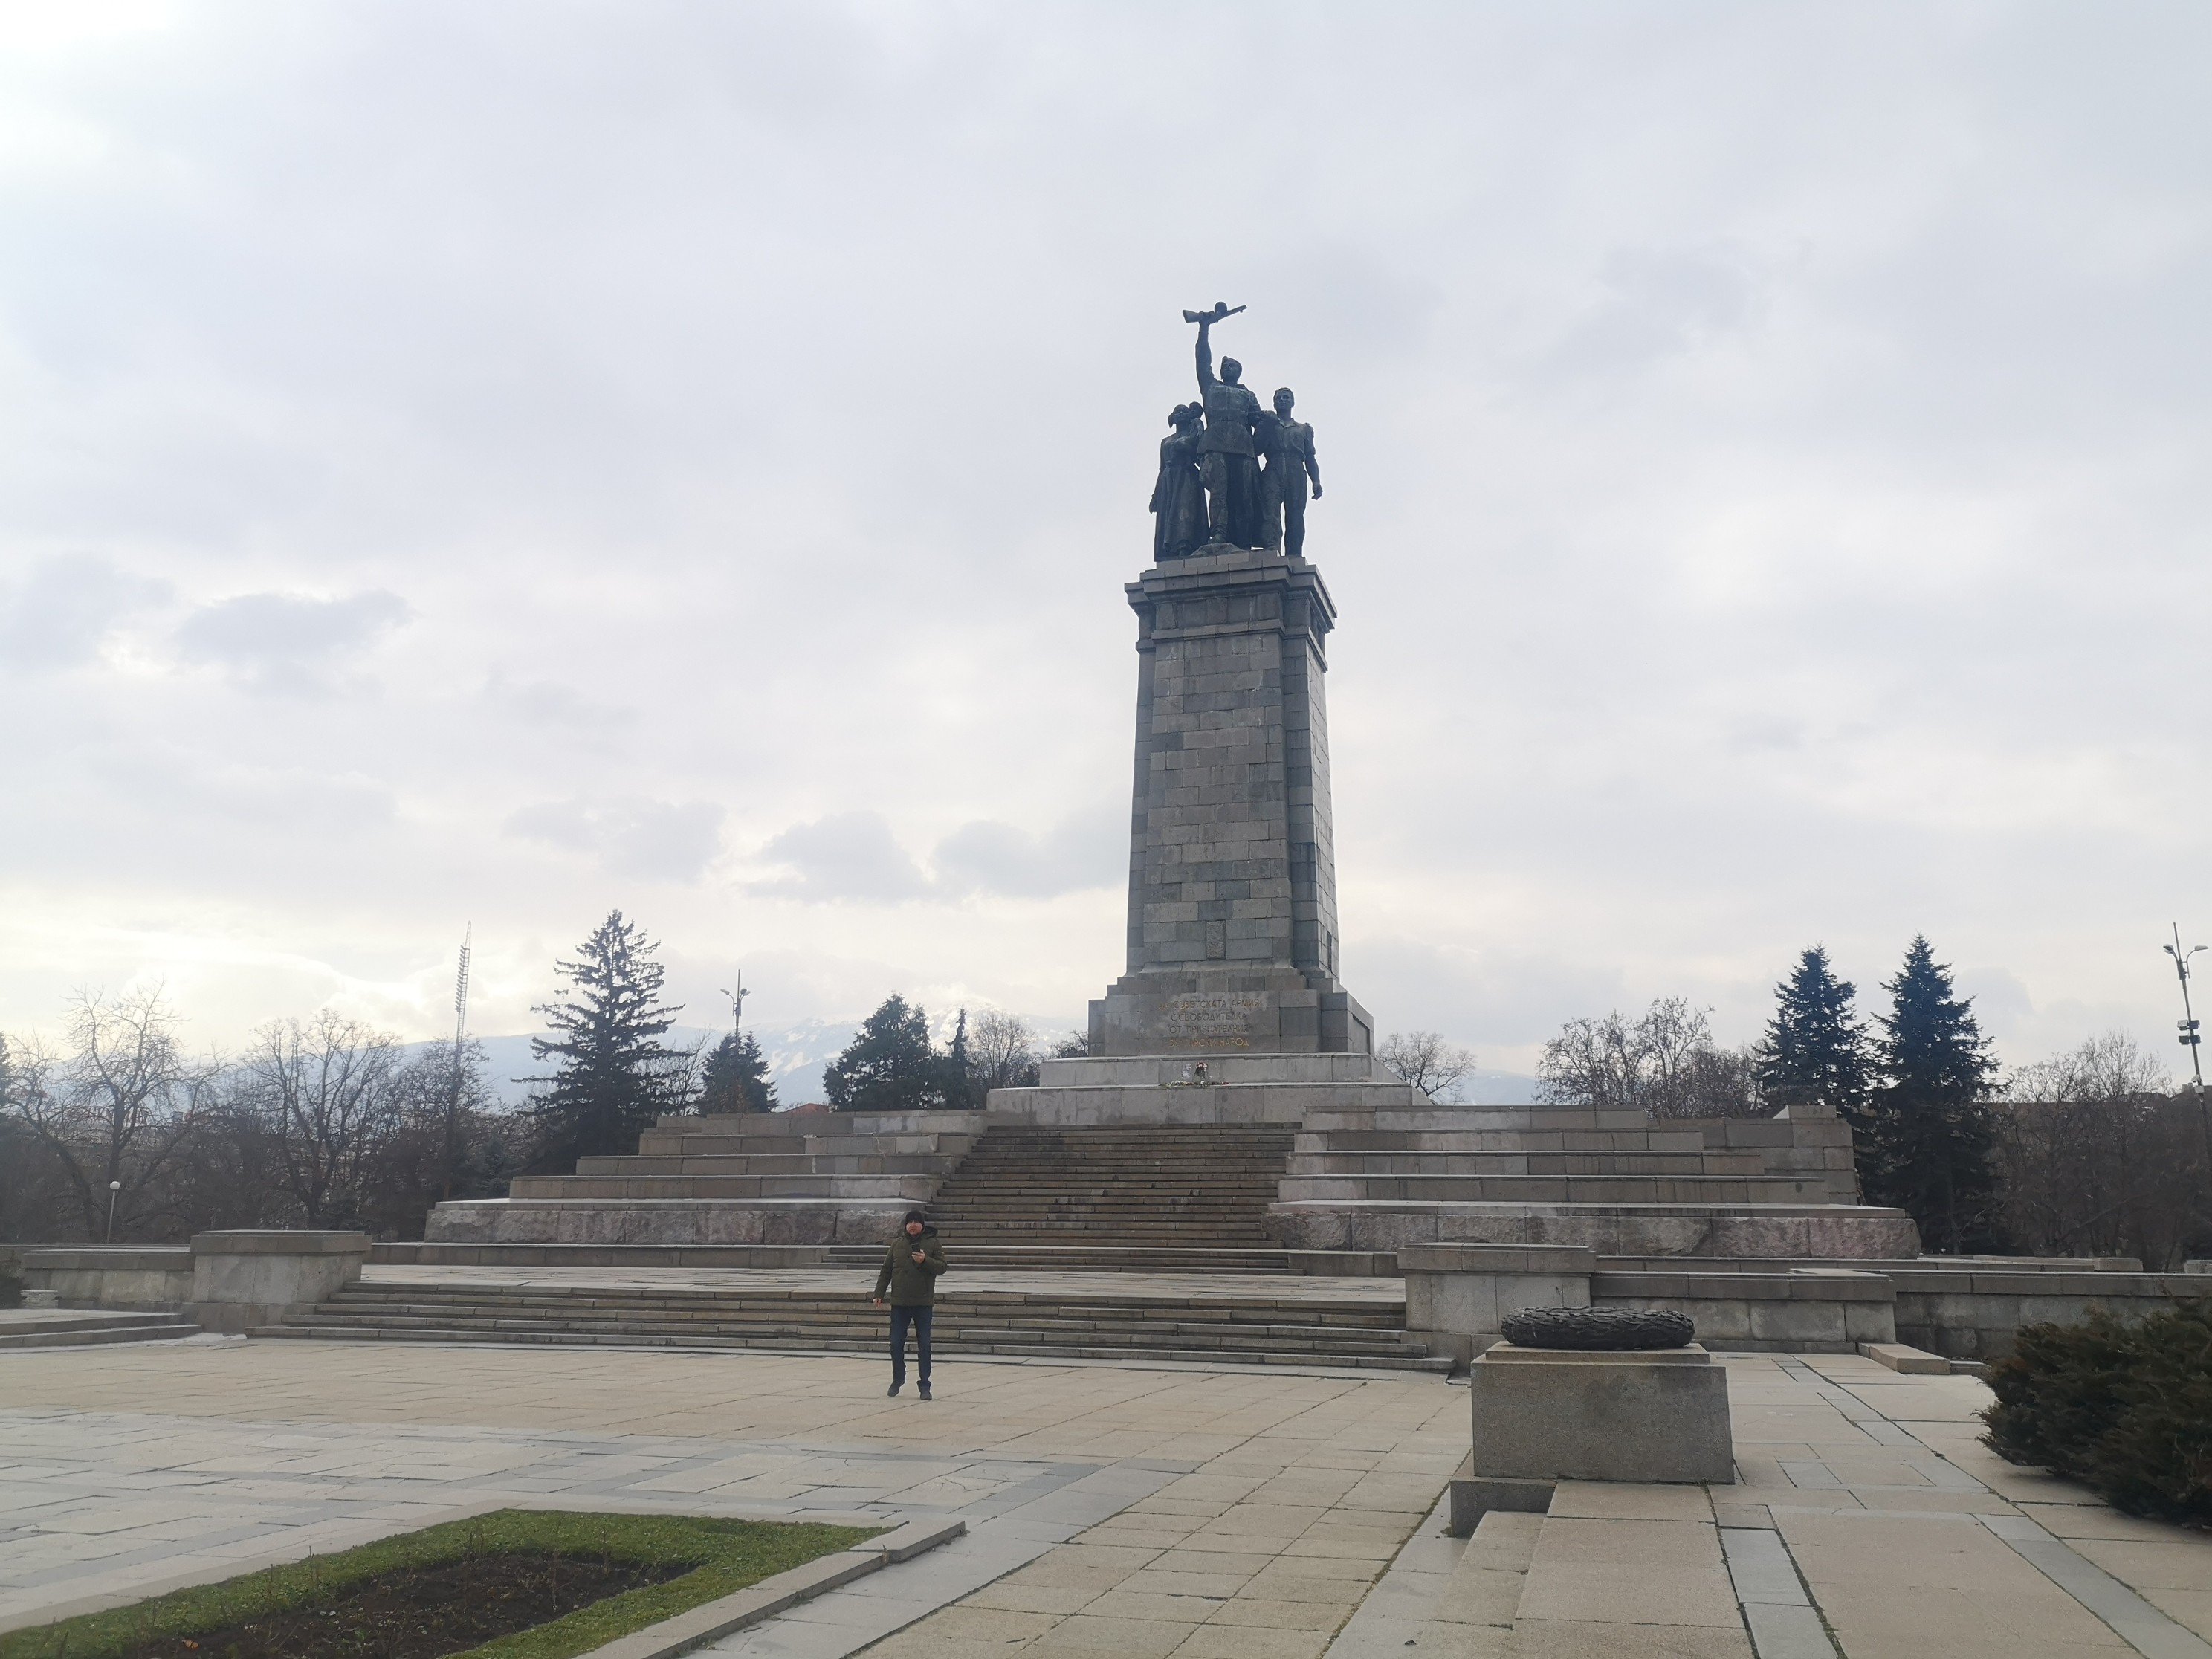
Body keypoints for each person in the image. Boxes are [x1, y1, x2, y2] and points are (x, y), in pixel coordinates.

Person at [1193, 311, 1263, 547]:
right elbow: (1202, 361)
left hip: (1243, 448)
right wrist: (1204, 329)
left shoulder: (1248, 395)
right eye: (1224, 366)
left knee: (1243, 497)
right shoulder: (1211, 387)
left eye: (1231, 365)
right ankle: (1219, 534)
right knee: (1219, 493)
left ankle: (1242, 540)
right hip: (1215, 444)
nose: (1227, 368)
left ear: (1238, 371)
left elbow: (1259, 422)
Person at [872, 1209, 945, 1399]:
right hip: (900, 1303)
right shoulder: (897, 1244)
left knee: (924, 1345)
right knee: (896, 1343)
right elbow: (886, 1270)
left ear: (922, 1225)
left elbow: (942, 1267)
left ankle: (925, 1385)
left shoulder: (933, 1243)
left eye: (916, 1222)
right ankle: (898, 1378)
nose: (913, 1225)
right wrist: (879, 1293)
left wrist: (925, 1260)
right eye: (910, 1222)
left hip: (923, 1303)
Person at [1257, 387, 1323, 559]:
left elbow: (1310, 457)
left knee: (1295, 515)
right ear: (1274, 403)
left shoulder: (1303, 429)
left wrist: (1316, 481)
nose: (1282, 400)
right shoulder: (1268, 424)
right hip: (1273, 468)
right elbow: (1256, 449)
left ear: (1293, 402)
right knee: (1270, 511)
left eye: (1286, 397)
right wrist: (1265, 426)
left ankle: (1294, 555)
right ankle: (1271, 547)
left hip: (1296, 470)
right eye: (1279, 398)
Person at [1149, 402, 1208, 561]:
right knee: (1169, 514)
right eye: (1178, 412)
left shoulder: (1193, 432)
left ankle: (1185, 545)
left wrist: (1184, 447)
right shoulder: (1165, 441)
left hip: (1187, 475)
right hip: (1169, 479)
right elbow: (1162, 469)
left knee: (1186, 509)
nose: (1181, 414)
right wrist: (1155, 496)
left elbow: (1199, 454)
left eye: (1184, 411)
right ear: (1173, 418)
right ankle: (1168, 549)